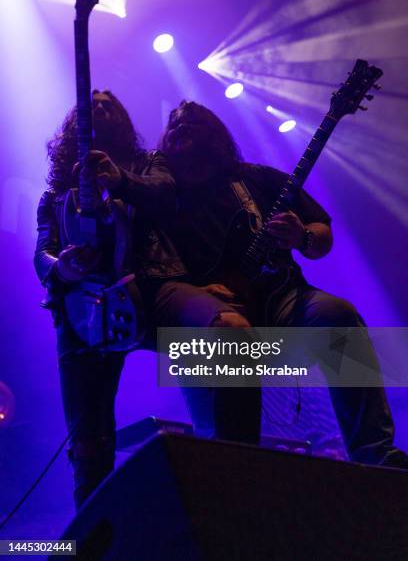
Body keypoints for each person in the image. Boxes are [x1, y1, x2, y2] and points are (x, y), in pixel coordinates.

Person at [151, 99, 408, 469]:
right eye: (172, 122)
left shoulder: (256, 178)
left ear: (214, 133)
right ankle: (237, 477)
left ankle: (376, 455)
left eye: (190, 120)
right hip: (210, 313)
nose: (179, 124)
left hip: (281, 298)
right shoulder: (162, 197)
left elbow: (323, 234)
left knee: (338, 315)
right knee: (217, 437)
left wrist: (301, 236)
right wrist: (190, 293)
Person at [34, 90, 185, 509]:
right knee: (88, 442)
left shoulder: (147, 164)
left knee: (222, 349)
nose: (99, 105)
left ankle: (234, 477)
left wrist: (120, 179)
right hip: (82, 315)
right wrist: (62, 267)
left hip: (150, 292)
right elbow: (40, 255)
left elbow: (167, 195)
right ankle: (90, 544)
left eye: (107, 102)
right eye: (91, 102)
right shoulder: (54, 196)